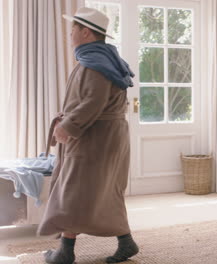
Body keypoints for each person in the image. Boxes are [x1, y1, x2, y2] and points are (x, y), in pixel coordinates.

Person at [37, 7, 139, 264]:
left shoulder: (96, 64)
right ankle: (126, 242)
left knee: (74, 191)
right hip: (103, 137)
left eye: (73, 29)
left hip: (95, 138)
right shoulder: (99, 59)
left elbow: (93, 101)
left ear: (85, 32)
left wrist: (66, 126)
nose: (69, 34)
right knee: (102, 191)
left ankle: (65, 252)